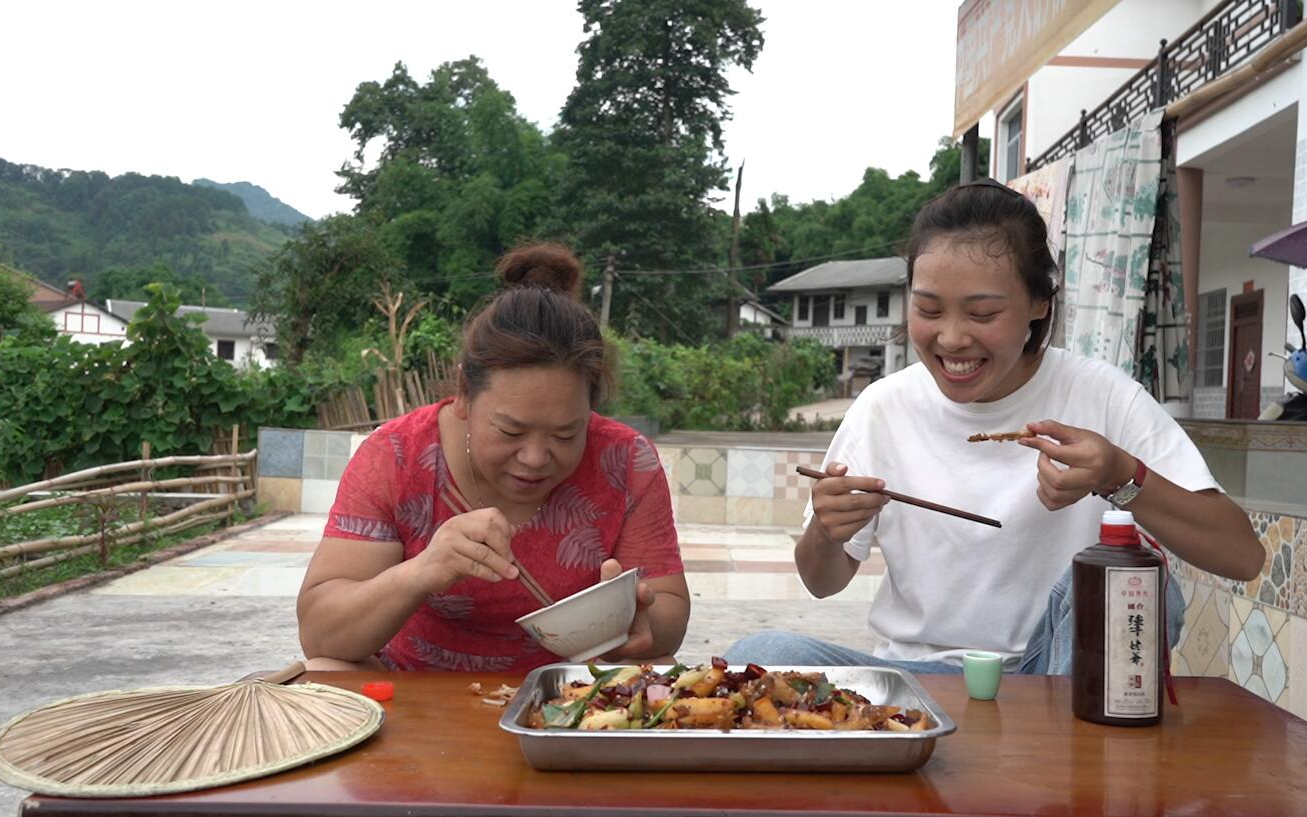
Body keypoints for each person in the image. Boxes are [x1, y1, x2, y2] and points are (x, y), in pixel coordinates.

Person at [725, 179, 1263, 674]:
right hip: (918, 678)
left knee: (1135, 584)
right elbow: (822, 581)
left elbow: (1241, 556)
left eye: (982, 314)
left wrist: (1122, 475)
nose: (952, 339)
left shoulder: (1102, 396)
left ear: (1038, 303)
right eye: (929, 310)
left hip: (1051, 671)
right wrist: (827, 527)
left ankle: (1062, 753)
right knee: (761, 655)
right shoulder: (883, 407)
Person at [297, 243, 690, 672]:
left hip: (573, 688)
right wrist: (421, 572)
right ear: (465, 393)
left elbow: (668, 608)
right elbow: (321, 633)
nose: (536, 457)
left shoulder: (627, 462)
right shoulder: (395, 455)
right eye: (510, 430)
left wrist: (634, 622)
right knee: (326, 671)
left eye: (566, 433)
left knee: (662, 668)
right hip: (411, 690)